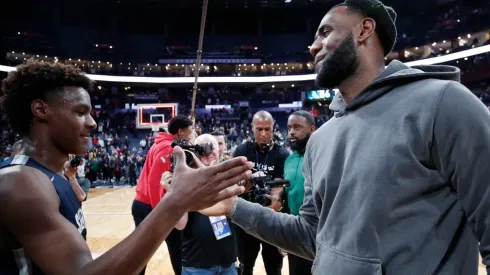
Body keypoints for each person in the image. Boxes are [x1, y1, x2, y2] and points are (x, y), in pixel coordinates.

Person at [199, 0, 490, 274]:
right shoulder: (321, 139)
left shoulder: (444, 103)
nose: (313, 47)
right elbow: (311, 236)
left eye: (325, 32)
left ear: (364, 30)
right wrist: (232, 206)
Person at [0, 60, 253, 275]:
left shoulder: (52, 174)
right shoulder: (19, 182)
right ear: (40, 109)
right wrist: (175, 202)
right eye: (80, 112)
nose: (92, 123)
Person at [162, 134, 238, 275]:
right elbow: (180, 224)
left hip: (228, 262)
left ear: (220, 150)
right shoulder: (186, 181)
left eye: (212, 147)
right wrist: (173, 193)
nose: (208, 153)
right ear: (194, 152)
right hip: (197, 265)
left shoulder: (229, 177)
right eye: (202, 149)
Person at [132, 115, 194, 275]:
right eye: (190, 130)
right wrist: (161, 213)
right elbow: (155, 182)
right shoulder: (168, 148)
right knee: (147, 253)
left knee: (145, 253)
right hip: (152, 207)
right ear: (180, 131)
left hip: (147, 204)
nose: (191, 134)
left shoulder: (163, 144)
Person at [232, 110, 290, 275]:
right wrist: (247, 183)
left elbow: (281, 184)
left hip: (270, 218)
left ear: (273, 128)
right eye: (259, 129)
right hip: (244, 217)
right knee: (245, 266)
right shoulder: (242, 151)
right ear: (252, 128)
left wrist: (277, 197)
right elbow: (234, 182)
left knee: (274, 268)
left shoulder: (282, 154)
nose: (264, 133)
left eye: (267, 129)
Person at [283, 111, 315, 275]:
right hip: (295, 234)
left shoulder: (322, 155)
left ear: (312, 129)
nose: (291, 132)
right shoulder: (288, 160)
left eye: (297, 127)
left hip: (319, 234)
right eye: (289, 128)